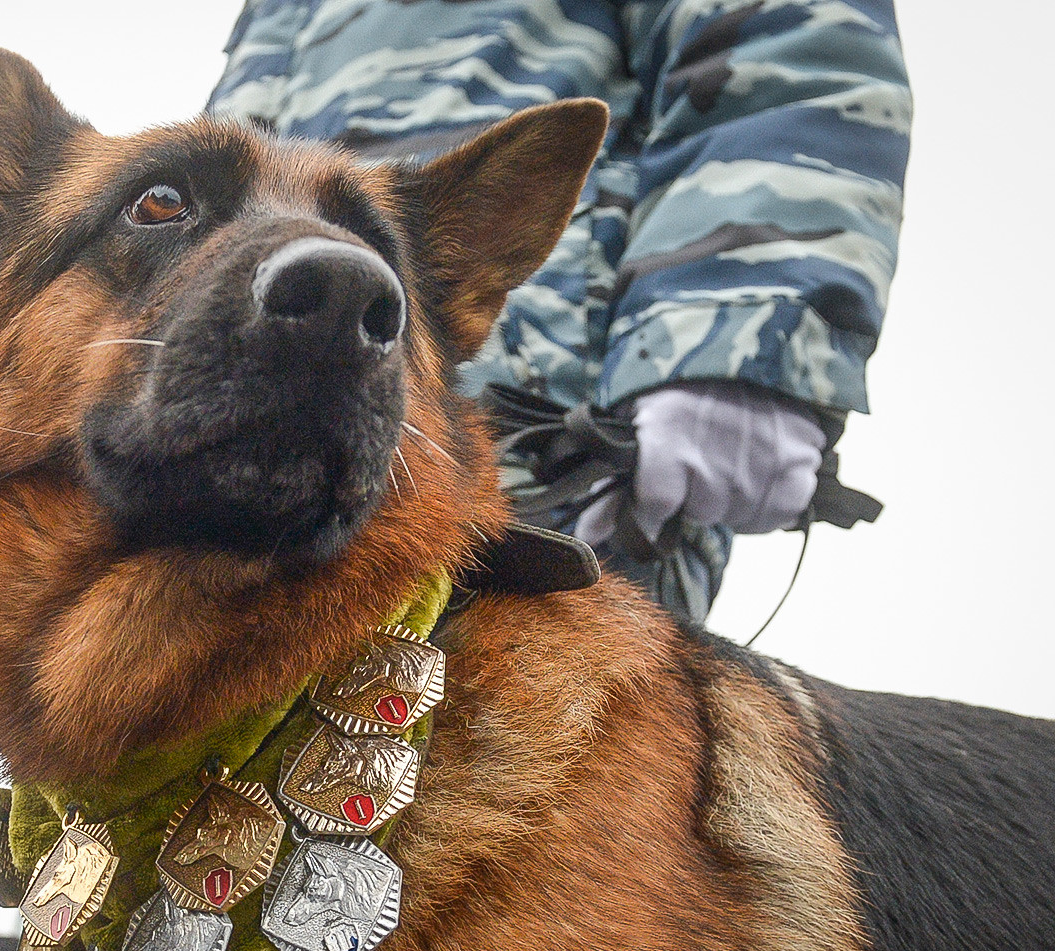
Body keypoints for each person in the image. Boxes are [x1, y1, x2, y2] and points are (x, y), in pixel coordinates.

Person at [207, 0, 911, 622]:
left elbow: (786, 42)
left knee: (532, 750)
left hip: (540, 457)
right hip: (266, 459)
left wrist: (737, 333)